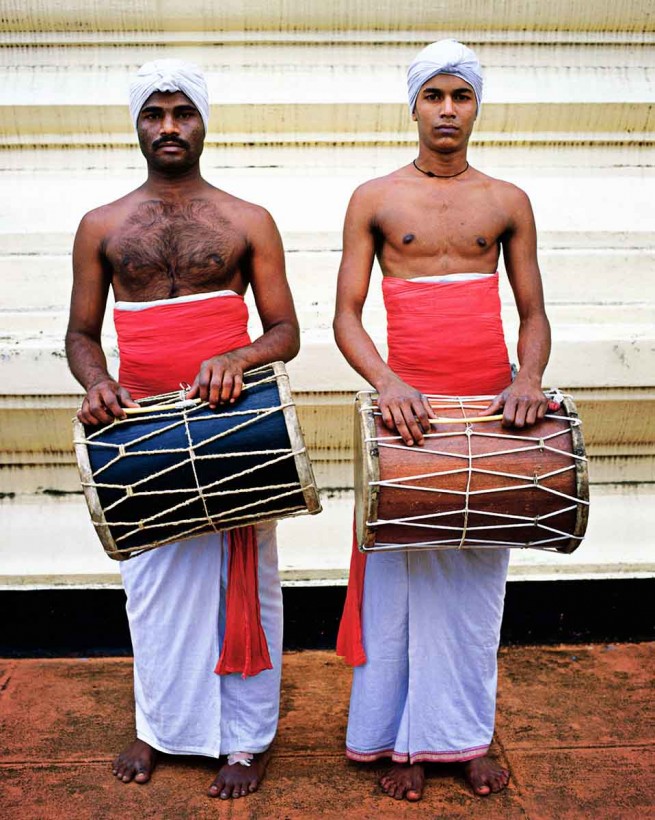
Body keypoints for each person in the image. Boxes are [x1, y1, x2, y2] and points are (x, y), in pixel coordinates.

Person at [65, 59, 300, 800]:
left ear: (203, 121)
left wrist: (237, 355)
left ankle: (245, 740)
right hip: (138, 429)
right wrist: (99, 383)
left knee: (247, 586)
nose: (168, 127)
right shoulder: (100, 225)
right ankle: (160, 726)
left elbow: (286, 330)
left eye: (182, 113)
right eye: (154, 113)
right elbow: (79, 334)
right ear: (136, 124)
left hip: (231, 428)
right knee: (151, 588)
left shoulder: (247, 219)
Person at [333, 39, 551, 801]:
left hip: (490, 408)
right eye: (434, 95)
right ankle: (399, 742)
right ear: (414, 104)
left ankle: (464, 736)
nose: (448, 109)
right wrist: (387, 381)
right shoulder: (374, 197)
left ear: (476, 104)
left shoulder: (506, 200)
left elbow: (531, 313)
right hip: (409, 409)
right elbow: (346, 317)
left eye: (460, 95)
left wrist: (527, 379)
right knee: (397, 579)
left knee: (472, 585)